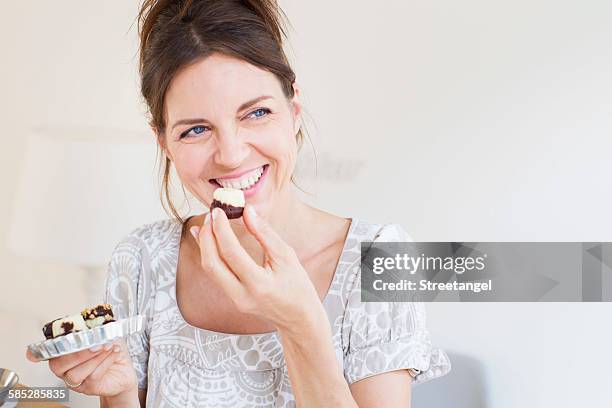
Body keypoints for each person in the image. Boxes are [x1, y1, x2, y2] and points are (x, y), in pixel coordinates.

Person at [27, 0, 451, 406]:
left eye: (256, 113)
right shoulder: (141, 260)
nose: (230, 154)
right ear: (164, 143)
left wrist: (299, 323)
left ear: (294, 108)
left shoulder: (379, 258)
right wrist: (117, 395)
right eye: (195, 130)